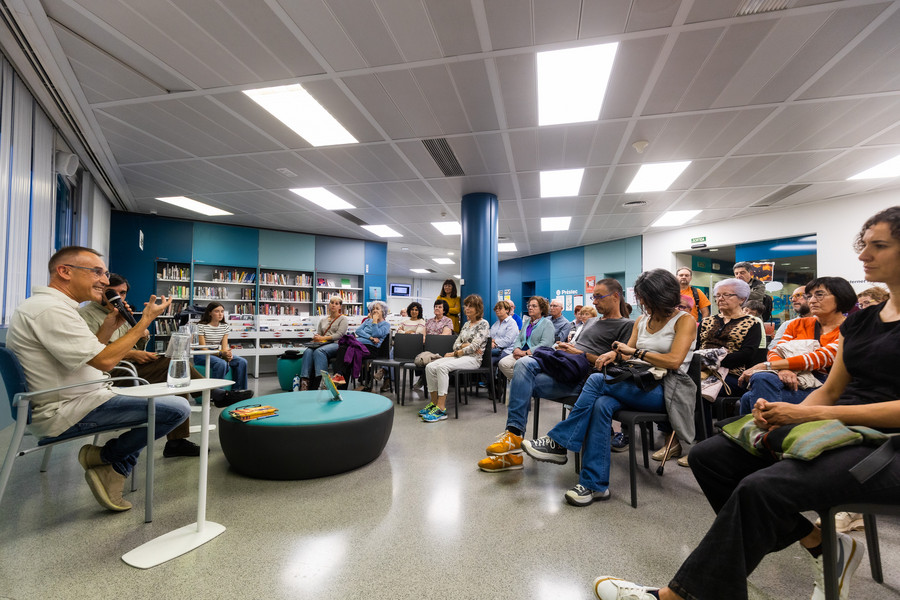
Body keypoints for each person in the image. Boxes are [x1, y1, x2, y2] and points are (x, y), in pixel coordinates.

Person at [591, 206, 900, 600]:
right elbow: (834, 388)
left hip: (887, 443)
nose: (863, 255)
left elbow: (834, 401)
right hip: (842, 424)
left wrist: (809, 412)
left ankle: (683, 594)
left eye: (879, 246)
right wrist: (793, 413)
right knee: (709, 456)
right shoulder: (862, 322)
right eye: (865, 245)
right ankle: (821, 543)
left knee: (761, 488)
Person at [6, 246, 190, 512]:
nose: (105, 281)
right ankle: (110, 462)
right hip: (69, 408)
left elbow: (88, 354)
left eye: (104, 274)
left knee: (161, 402)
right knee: (177, 408)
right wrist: (144, 321)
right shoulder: (49, 311)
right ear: (65, 272)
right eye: (97, 272)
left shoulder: (55, 307)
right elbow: (104, 361)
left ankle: (108, 462)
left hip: (83, 395)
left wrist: (107, 329)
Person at [519, 269, 695, 505]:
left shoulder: (685, 321)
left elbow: (674, 361)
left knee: (595, 380)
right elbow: (625, 353)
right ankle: (595, 486)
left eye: (646, 298)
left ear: (663, 296)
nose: (642, 302)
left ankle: (560, 442)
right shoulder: (643, 320)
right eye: (641, 298)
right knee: (601, 404)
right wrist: (612, 354)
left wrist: (638, 352)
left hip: (664, 389)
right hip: (636, 382)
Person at [78, 274, 250, 458]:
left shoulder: (117, 314)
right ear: (102, 291)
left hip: (128, 365)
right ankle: (215, 397)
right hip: (112, 372)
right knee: (173, 365)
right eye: (114, 293)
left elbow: (127, 346)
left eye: (123, 293)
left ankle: (178, 441)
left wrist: (140, 340)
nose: (120, 298)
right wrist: (133, 353)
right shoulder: (87, 316)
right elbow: (96, 353)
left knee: (177, 370)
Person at [478, 279, 634, 472]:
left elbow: (619, 363)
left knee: (522, 379)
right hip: (565, 366)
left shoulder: (627, 325)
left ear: (616, 296)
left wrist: (581, 354)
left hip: (584, 378)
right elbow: (579, 346)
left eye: (598, 297)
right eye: (593, 297)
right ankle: (514, 437)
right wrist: (569, 348)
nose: (594, 302)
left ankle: (512, 453)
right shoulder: (592, 321)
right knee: (523, 364)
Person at [737, 276, 856, 414]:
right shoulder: (797, 324)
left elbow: (820, 358)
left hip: (827, 386)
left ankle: (765, 432)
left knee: (753, 389)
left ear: (841, 297)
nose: (812, 300)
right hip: (796, 379)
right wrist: (784, 370)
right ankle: (768, 432)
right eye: (809, 296)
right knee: (755, 387)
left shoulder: (850, 328)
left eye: (819, 295)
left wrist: (767, 366)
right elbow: (775, 351)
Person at [420, 295, 490, 422]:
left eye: (471, 306)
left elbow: (474, 348)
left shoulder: (483, 324)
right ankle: (434, 403)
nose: (467, 308)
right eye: (466, 305)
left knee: (442, 367)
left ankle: (441, 409)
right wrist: (464, 345)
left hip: (473, 359)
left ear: (478, 308)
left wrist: (456, 352)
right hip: (461, 355)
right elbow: (455, 344)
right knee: (430, 366)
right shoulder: (466, 324)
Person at [194, 302, 251, 393]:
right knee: (221, 363)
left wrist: (228, 354)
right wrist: (221, 354)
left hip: (218, 352)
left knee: (242, 361)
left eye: (222, 311)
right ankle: (218, 394)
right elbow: (203, 348)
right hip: (202, 354)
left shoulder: (225, 326)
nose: (220, 314)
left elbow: (224, 346)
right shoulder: (201, 326)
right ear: (210, 313)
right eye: (217, 311)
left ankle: (238, 391)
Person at [333, 301, 390, 389]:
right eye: (373, 309)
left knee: (348, 352)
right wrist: (370, 337)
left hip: (371, 348)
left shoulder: (386, 325)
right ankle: (339, 376)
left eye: (377, 309)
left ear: (383, 312)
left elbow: (376, 333)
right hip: (358, 344)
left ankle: (339, 379)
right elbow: (358, 331)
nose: (374, 310)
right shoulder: (367, 321)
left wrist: (374, 322)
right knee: (343, 349)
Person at [496, 296, 555, 380]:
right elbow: (519, 338)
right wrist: (516, 349)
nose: (530, 308)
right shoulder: (527, 322)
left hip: (536, 354)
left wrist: (526, 353)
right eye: (529, 306)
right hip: (520, 352)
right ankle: (525, 382)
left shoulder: (547, 323)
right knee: (503, 363)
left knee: (520, 364)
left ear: (541, 309)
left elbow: (545, 344)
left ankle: (523, 383)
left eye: (534, 306)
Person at [297, 295, 349, 391]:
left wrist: (323, 338)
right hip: (323, 343)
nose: (333, 305)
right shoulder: (323, 320)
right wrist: (316, 338)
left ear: (339, 307)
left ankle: (323, 381)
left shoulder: (343, 319)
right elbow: (319, 333)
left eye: (336, 303)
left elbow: (339, 335)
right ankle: (305, 381)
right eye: (332, 303)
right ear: (329, 305)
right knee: (308, 351)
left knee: (319, 351)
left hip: (336, 344)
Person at [374, 301, 426, 392]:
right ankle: (387, 379)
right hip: (403, 346)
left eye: (416, 310)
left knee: (394, 350)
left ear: (419, 311)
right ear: (409, 311)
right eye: (412, 309)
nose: (414, 311)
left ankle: (384, 372)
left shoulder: (421, 321)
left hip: (414, 349)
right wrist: (407, 333)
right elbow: (398, 332)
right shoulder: (405, 321)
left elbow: (417, 334)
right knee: (393, 349)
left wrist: (404, 333)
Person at [769, 285, 811, 349]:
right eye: (792, 297)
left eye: (798, 295)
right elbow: (772, 348)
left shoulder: (825, 323)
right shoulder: (787, 325)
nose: (793, 300)